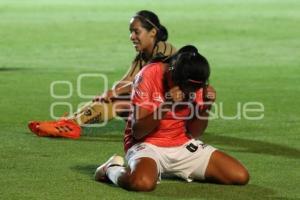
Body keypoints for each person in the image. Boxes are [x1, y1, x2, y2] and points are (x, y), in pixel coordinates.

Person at [94, 45, 249, 191]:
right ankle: (111, 168)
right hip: (146, 144)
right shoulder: (149, 74)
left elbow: (194, 133)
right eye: (185, 88)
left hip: (181, 144)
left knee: (240, 176)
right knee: (142, 183)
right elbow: (138, 132)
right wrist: (167, 104)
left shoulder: (196, 83)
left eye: (193, 89)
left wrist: (206, 106)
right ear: (172, 73)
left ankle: (170, 168)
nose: (189, 93)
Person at [28, 10, 177, 138]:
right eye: (131, 32)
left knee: (118, 102)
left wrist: (115, 93)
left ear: (152, 32)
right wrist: (107, 94)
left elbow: (149, 83)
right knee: (114, 98)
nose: (131, 37)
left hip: (175, 113)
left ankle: (71, 125)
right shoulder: (142, 56)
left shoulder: (164, 50)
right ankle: (69, 121)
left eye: (136, 31)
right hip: (156, 109)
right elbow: (127, 80)